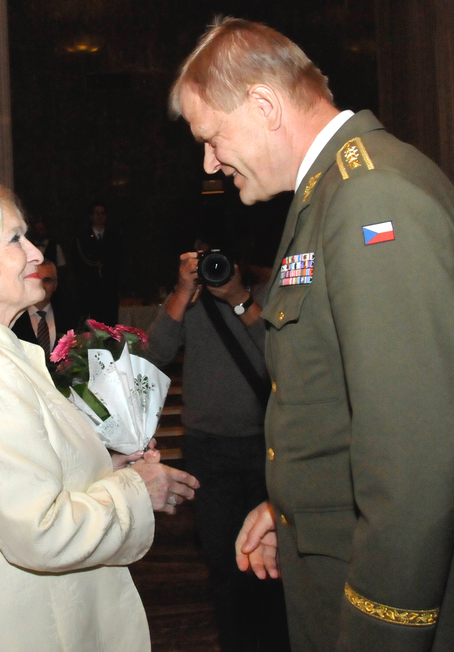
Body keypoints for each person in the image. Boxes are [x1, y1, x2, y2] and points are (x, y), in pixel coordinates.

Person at [169, 17, 454, 650]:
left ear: (263, 105)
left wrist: (383, 629)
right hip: (343, 560)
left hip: (412, 605)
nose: (210, 161)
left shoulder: (370, 196)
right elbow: (339, 404)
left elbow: (414, 453)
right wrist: (292, 511)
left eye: (212, 137)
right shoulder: (332, 192)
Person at [0, 176, 199, 651]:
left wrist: (106, 467)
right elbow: (39, 531)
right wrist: (137, 491)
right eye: (15, 239)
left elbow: (21, 475)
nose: (36, 253)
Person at [146, 246, 289, 652]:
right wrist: (181, 289)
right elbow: (155, 353)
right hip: (208, 449)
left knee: (272, 562)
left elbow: (282, 356)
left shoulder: (268, 292)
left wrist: (239, 298)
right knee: (224, 563)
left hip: (268, 445)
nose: (217, 270)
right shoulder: (190, 302)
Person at [10, 259, 78, 357]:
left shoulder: (71, 317)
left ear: (55, 285)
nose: (41, 286)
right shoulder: (13, 319)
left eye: (47, 281)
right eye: (37, 280)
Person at [73, 202, 121, 324]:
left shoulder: (114, 236)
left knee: (110, 324)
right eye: (96, 213)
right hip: (89, 289)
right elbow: (79, 263)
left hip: (109, 289)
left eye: (102, 213)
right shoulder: (82, 237)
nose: (99, 216)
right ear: (90, 216)